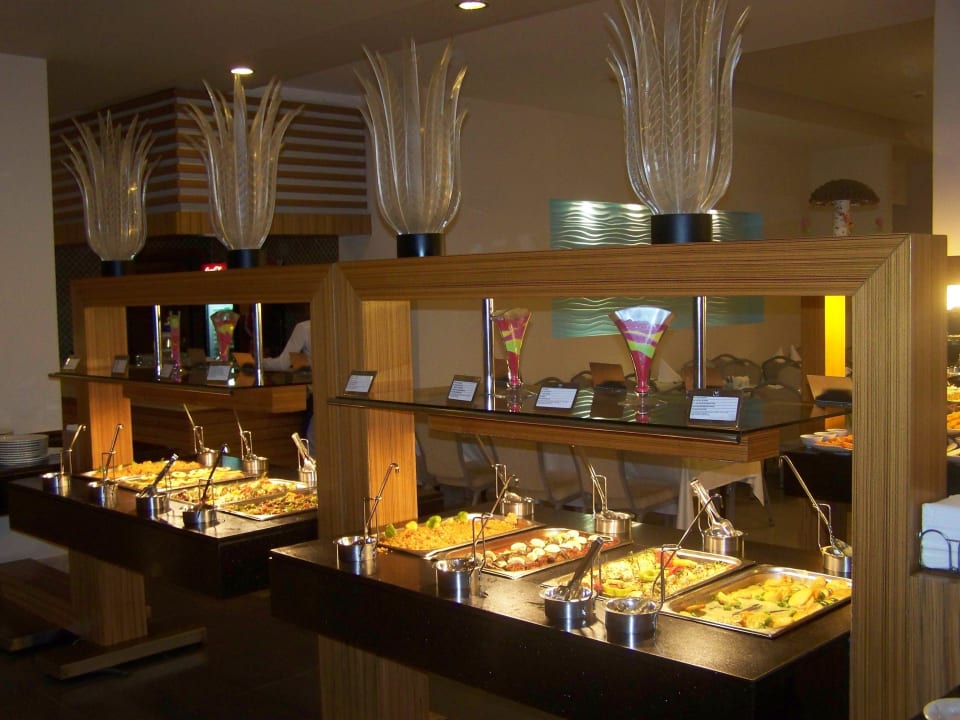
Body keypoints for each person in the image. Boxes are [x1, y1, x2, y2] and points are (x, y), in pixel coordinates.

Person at [262, 319, 314, 448]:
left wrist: (258, 362)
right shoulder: (342, 324)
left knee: (310, 444)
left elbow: (283, 363)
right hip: (339, 391)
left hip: (316, 394)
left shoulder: (304, 327)